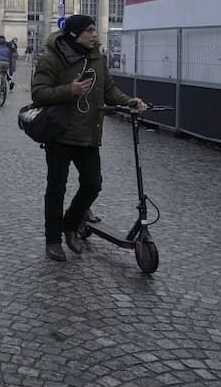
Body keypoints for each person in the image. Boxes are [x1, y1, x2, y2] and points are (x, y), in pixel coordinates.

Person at [31, 15, 147, 262]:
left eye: (95, 30)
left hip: (88, 135)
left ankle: (70, 224)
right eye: (89, 30)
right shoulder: (52, 59)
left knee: (93, 184)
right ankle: (53, 241)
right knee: (56, 190)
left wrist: (130, 102)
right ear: (74, 34)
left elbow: (109, 90)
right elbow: (38, 93)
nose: (95, 34)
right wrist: (68, 90)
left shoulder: (97, 58)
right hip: (60, 135)